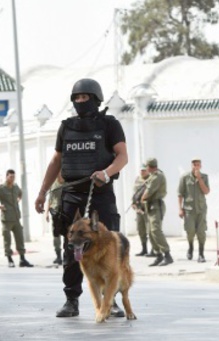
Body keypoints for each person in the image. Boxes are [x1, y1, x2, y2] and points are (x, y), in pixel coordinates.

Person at [33, 78, 128, 318]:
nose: (80, 101)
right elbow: (56, 161)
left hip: (101, 194)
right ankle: (71, 300)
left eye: (85, 97)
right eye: (76, 98)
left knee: (108, 248)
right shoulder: (67, 127)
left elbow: (122, 156)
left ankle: (111, 300)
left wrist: (106, 173)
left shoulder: (109, 124)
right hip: (72, 196)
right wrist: (43, 191)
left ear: (95, 99)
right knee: (72, 249)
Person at [0, 169, 34, 268]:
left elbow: (20, 193)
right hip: (6, 219)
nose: (12, 178)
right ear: (6, 177)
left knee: (20, 238)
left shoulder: (15, 187)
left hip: (16, 217)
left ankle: (22, 259)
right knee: (7, 240)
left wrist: (19, 199)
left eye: (13, 177)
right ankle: (10, 260)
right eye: (10, 176)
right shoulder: (1, 189)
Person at [141, 157, 173, 267]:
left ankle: (167, 255)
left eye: (147, 166)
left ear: (149, 167)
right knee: (150, 232)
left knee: (156, 230)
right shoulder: (152, 176)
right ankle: (158, 255)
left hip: (156, 206)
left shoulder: (157, 176)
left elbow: (149, 191)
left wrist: (142, 198)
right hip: (150, 206)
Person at [177, 157, 210, 263]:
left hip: (201, 209)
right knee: (190, 231)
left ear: (200, 166)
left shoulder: (204, 177)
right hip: (189, 209)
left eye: (198, 164)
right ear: (191, 165)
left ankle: (201, 254)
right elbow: (180, 194)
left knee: (201, 232)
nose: (196, 166)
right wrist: (180, 209)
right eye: (194, 164)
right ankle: (190, 247)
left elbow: (206, 191)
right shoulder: (185, 177)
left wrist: (199, 179)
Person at [132, 164, 154, 256]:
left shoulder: (151, 179)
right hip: (139, 208)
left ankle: (154, 250)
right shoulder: (137, 179)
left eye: (144, 170)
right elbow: (135, 193)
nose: (142, 172)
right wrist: (133, 203)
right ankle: (144, 249)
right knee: (141, 229)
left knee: (151, 230)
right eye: (141, 170)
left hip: (148, 207)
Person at [46, 177, 64, 266]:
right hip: (55, 211)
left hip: (66, 211)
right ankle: (58, 256)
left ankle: (67, 255)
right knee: (56, 234)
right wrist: (46, 213)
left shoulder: (67, 181)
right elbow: (50, 198)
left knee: (67, 233)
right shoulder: (53, 183)